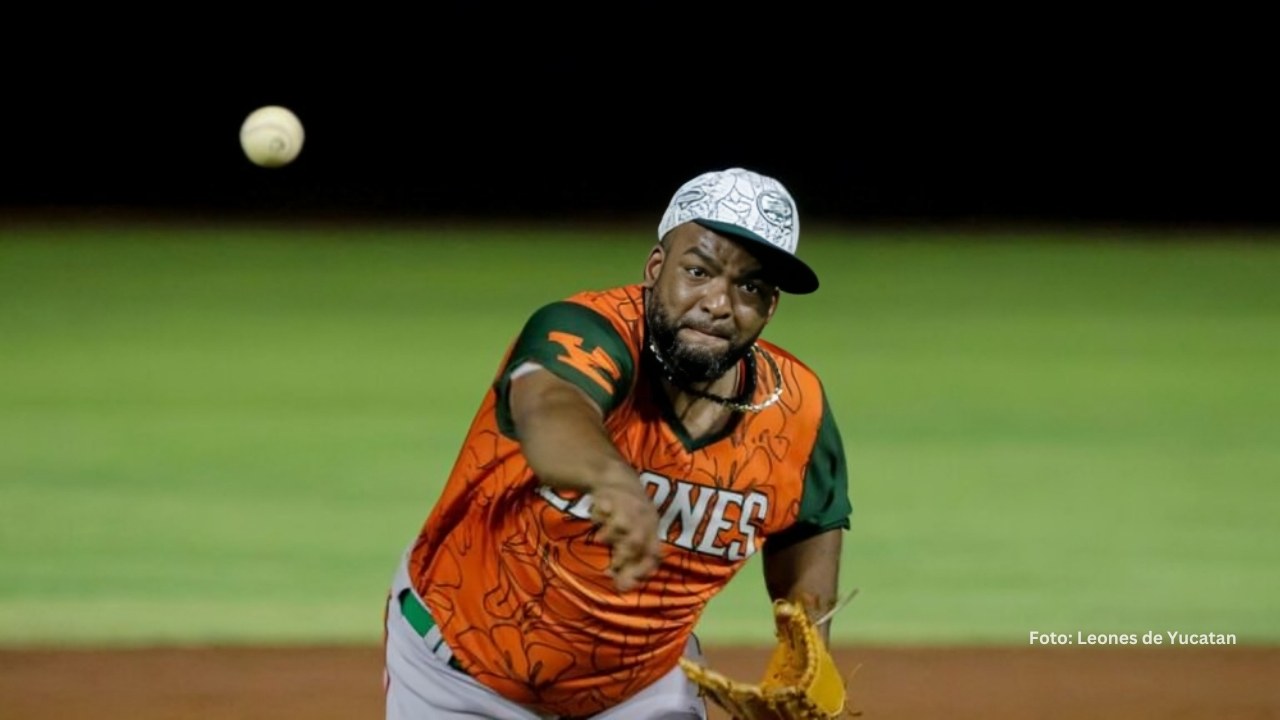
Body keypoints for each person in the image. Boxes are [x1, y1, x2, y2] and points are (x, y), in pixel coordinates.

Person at [383, 167, 853, 720]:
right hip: (460, 677)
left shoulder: (798, 408)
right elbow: (549, 408)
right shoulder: (585, 331)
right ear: (656, 268)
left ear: (770, 306)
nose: (719, 303)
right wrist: (610, 477)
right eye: (698, 271)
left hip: (642, 693)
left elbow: (810, 524)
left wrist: (805, 657)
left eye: (749, 286)